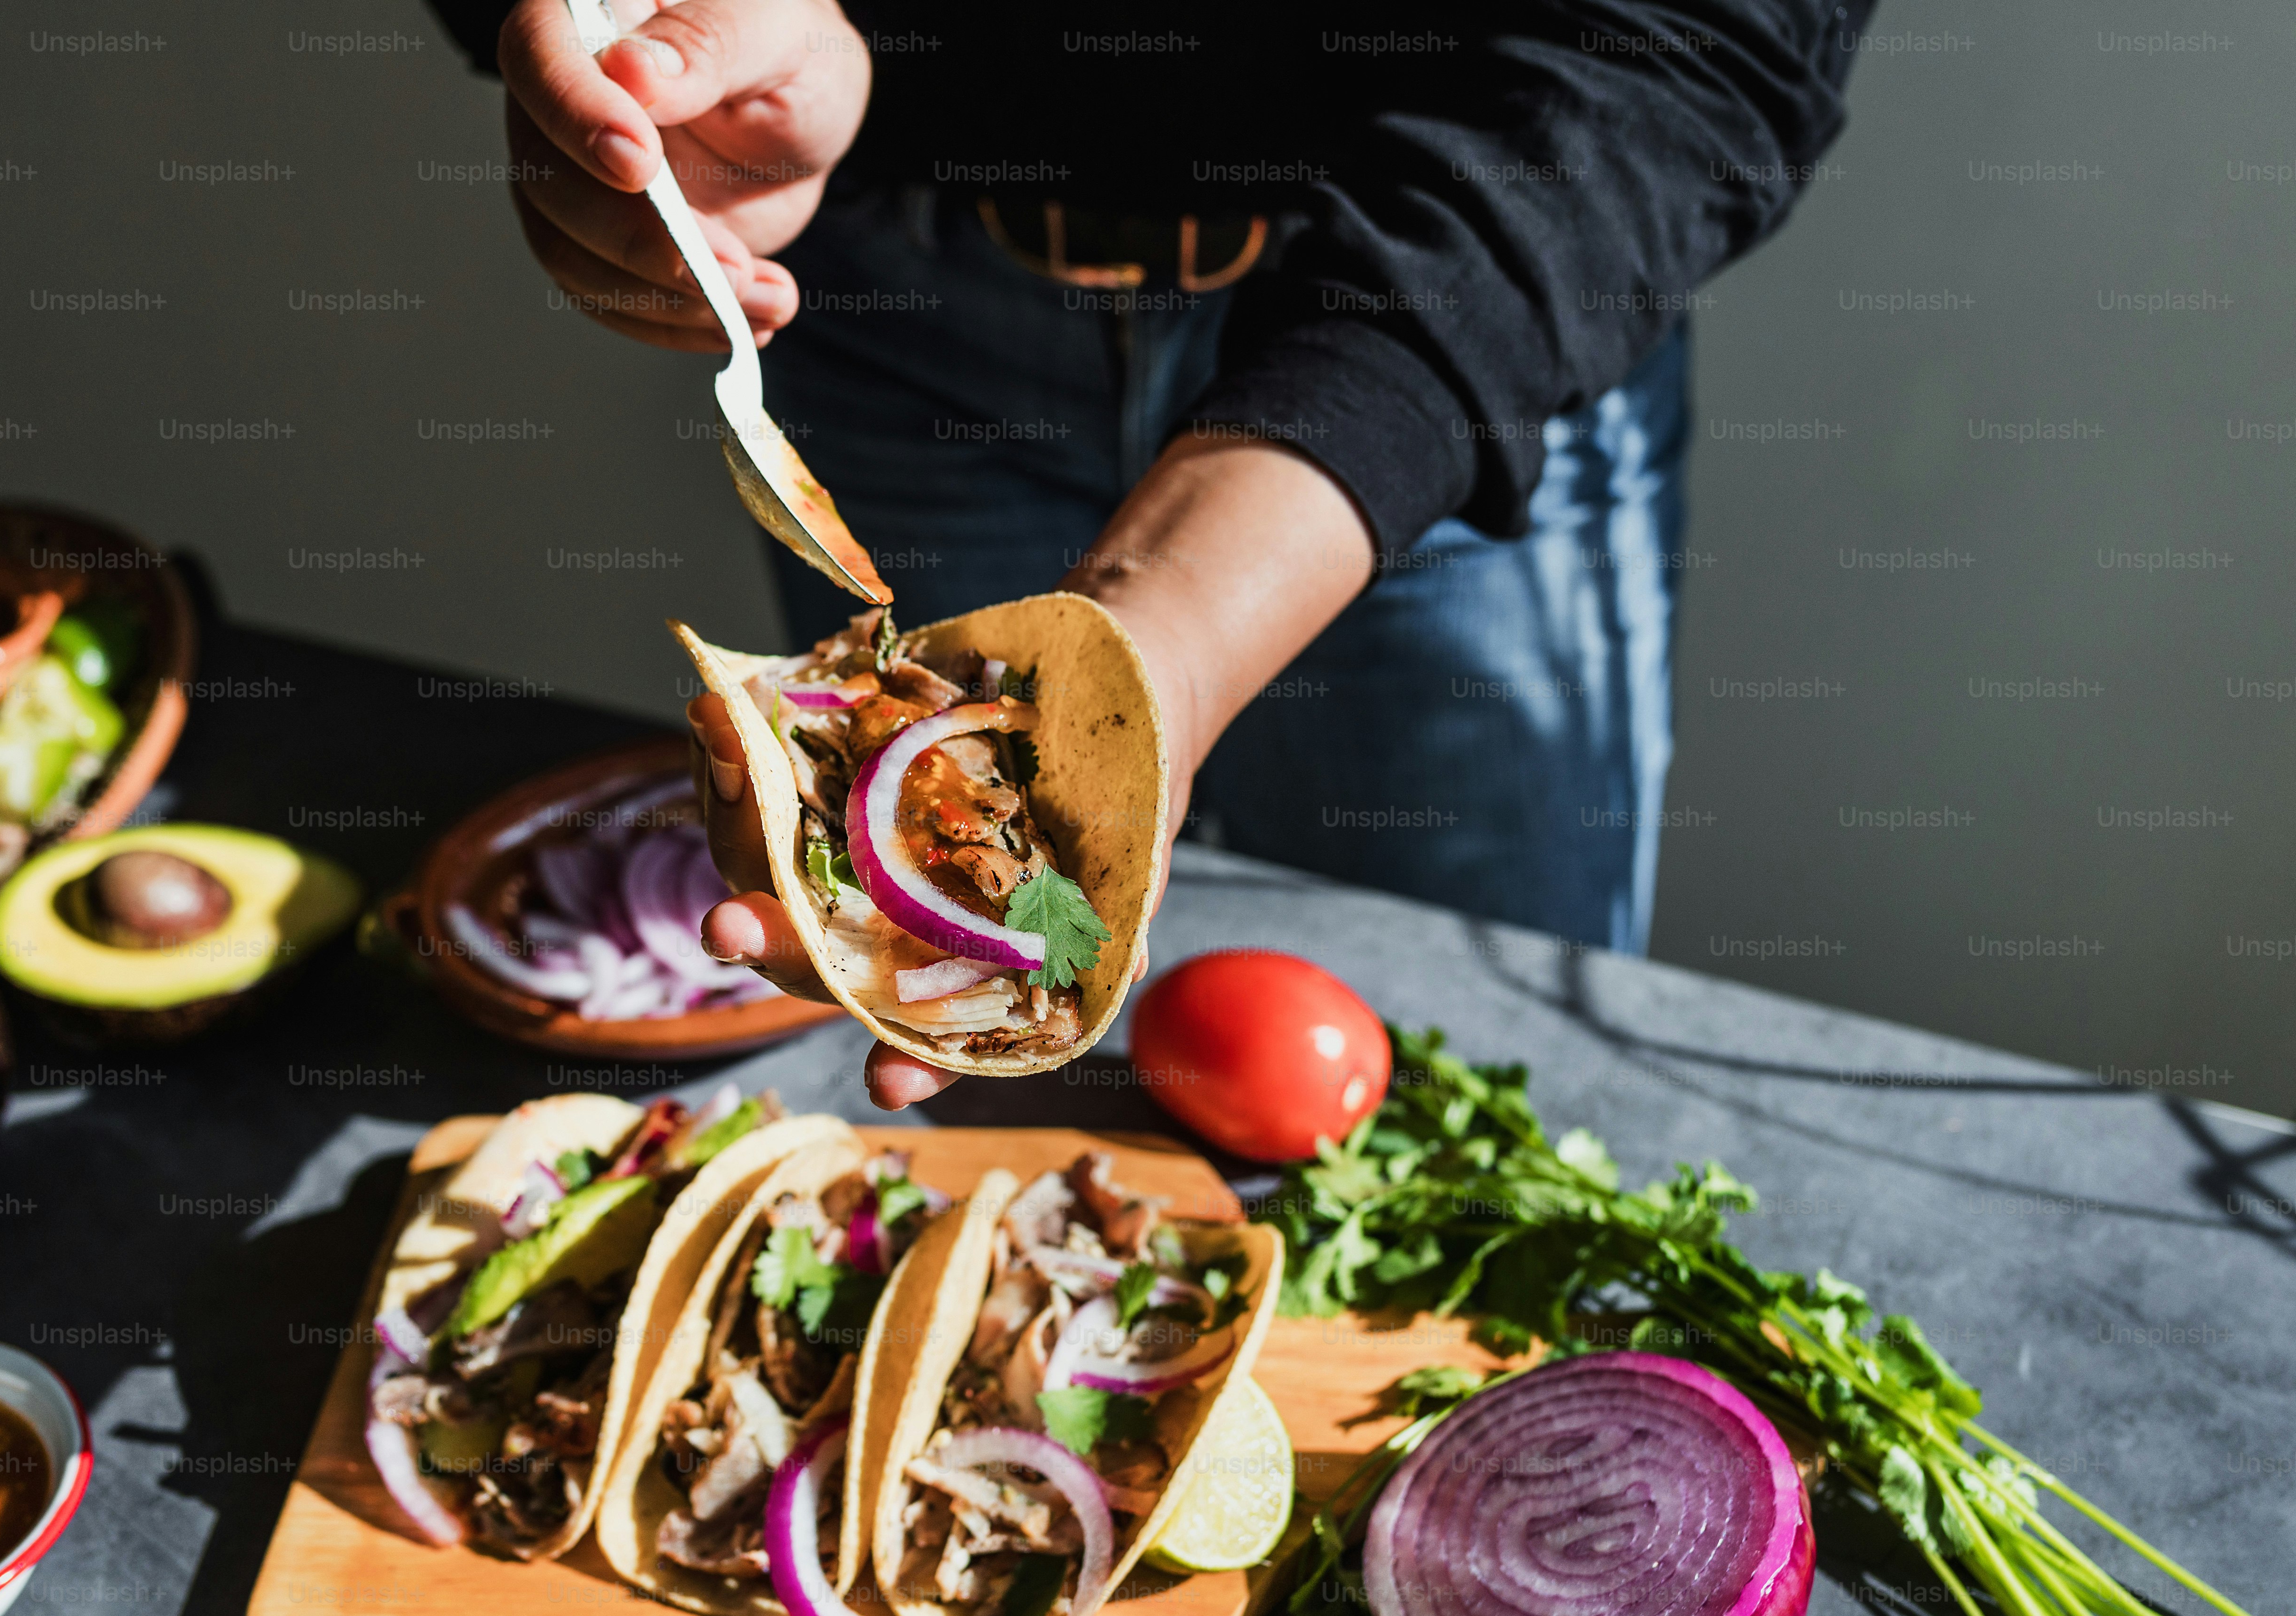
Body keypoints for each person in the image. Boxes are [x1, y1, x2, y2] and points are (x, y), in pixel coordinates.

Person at [423, 0, 1865, 1108]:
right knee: (941, 1019)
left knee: (1483, 1083)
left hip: (1469, 326)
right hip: (870, 302)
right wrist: (666, 59)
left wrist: (1162, 635)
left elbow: (1699, 43)